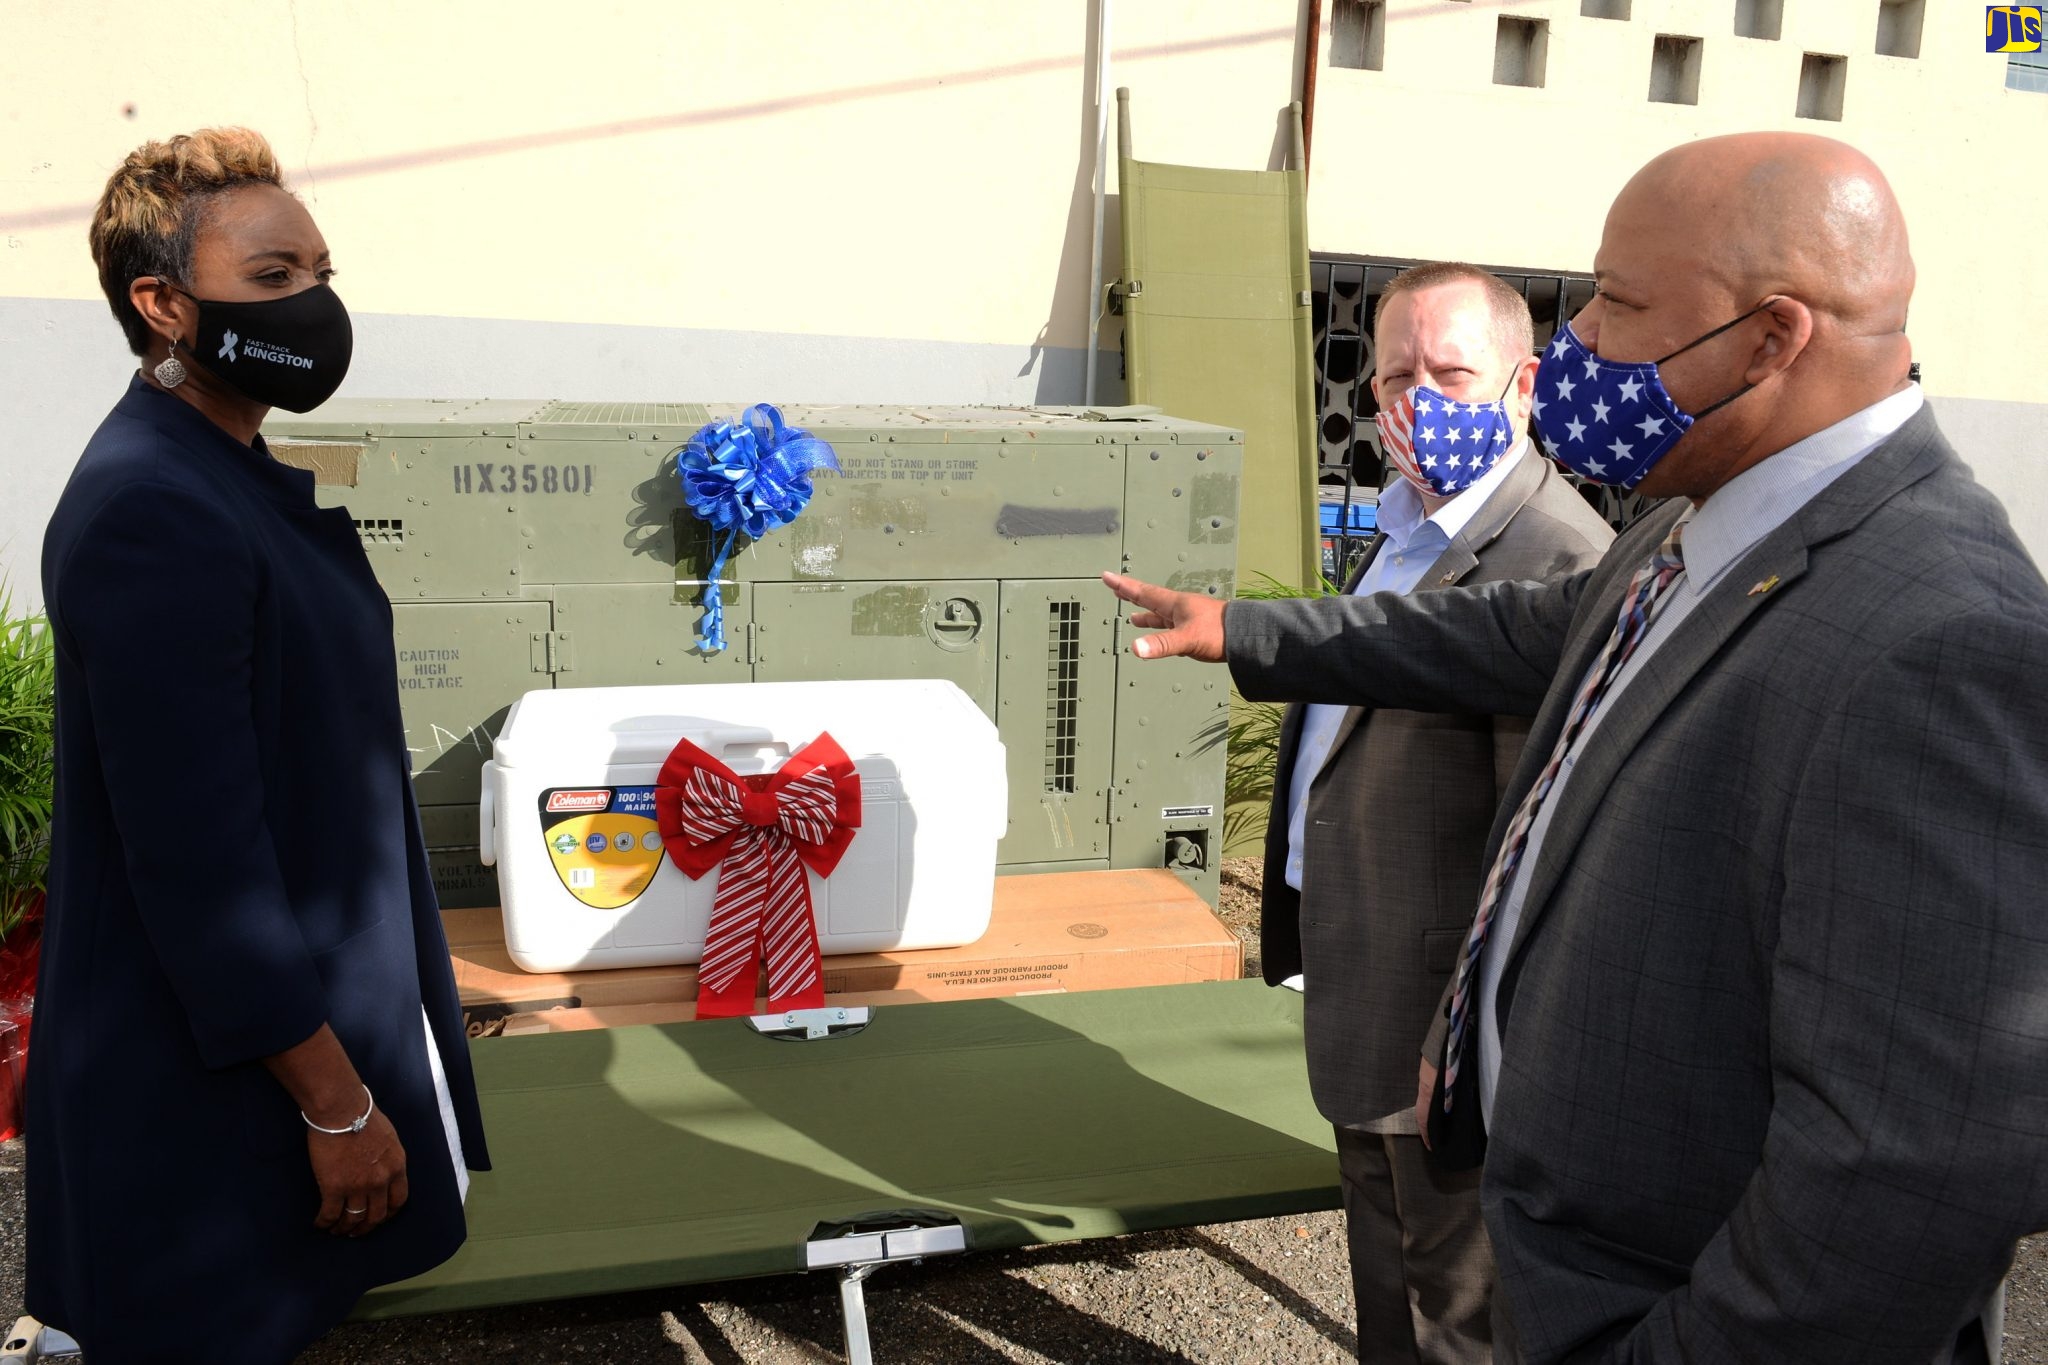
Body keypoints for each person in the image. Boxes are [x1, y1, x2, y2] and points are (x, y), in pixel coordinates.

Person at [1106, 131, 2048, 1363]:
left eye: (1614, 303)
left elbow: (1903, 1175)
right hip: (1556, 1235)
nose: (1573, 350)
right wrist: (1240, 630)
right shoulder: (1694, 514)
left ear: (1771, 337)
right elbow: (1500, 633)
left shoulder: (1938, 638)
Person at [29, 128, 490, 1362]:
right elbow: (196, 859)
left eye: (320, 271)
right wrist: (338, 1110)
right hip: (219, 1073)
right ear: (163, 303)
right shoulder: (154, 508)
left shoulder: (221, 469)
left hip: (280, 1037)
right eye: (273, 278)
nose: (315, 305)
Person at [1263, 262, 1610, 1363]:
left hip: (1440, 1018)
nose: (1419, 401)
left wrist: (1464, 1033)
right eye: (1395, 374)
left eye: (1450, 373)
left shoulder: (1554, 559)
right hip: (1363, 968)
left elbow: (1540, 842)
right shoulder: (1401, 520)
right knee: (1385, 1266)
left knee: (1451, 1306)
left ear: (1522, 385)